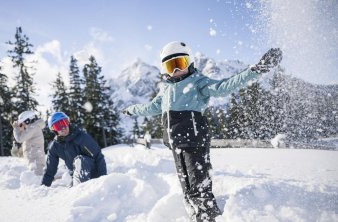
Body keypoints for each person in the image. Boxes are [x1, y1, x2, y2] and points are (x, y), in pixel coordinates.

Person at [121, 41, 282, 222]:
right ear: (164, 69)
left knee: (199, 183)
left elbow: (224, 87)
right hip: (176, 143)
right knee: (186, 183)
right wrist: (131, 109)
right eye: (170, 67)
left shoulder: (198, 82)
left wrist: (256, 70)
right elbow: (150, 107)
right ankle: (193, 211)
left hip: (194, 139)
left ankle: (207, 216)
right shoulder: (165, 89)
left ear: (189, 63)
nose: (176, 71)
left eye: (179, 64)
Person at [41, 112, 107, 187]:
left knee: (80, 160)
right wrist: (43, 187)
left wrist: (103, 179)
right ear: (53, 129)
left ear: (68, 122)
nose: (63, 128)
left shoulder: (81, 137)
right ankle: (78, 188)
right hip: (76, 177)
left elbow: (98, 156)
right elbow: (50, 170)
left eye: (64, 123)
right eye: (58, 126)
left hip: (94, 173)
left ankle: (81, 189)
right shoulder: (55, 147)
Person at [12, 110, 46, 175]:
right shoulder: (34, 127)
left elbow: (20, 139)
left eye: (23, 123)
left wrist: (16, 128)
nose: (22, 125)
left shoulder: (32, 127)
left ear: (28, 121)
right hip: (35, 157)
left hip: (35, 159)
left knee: (37, 178)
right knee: (36, 177)